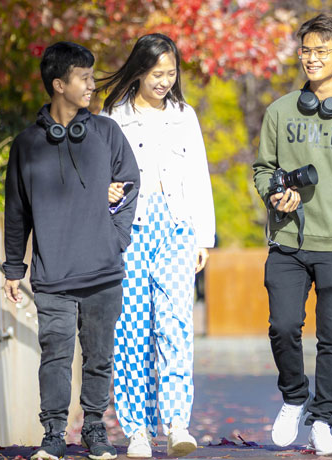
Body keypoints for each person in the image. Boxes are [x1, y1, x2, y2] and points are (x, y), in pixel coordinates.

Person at [252, 13, 332, 456]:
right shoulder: (279, 111)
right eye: (306, 50)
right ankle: (293, 395)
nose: (312, 58)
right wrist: (275, 195)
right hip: (287, 242)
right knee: (283, 326)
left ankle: (323, 420)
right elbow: (262, 170)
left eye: (321, 50)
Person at [3, 41, 140, 460]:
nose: (92, 84)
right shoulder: (26, 145)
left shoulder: (106, 132)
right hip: (52, 277)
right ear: (59, 84)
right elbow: (16, 210)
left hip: (102, 272)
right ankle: (53, 435)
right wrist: (13, 267)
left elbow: (131, 183)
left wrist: (115, 237)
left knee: (100, 357)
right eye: (84, 77)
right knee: (56, 357)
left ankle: (96, 428)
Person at [97, 33, 216, 458]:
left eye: (171, 74)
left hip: (177, 230)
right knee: (130, 331)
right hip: (129, 230)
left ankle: (177, 424)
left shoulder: (185, 115)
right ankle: (138, 433)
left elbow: (199, 176)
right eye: (157, 74)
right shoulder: (112, 116)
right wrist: (104, 190)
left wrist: (204, 236)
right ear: (139, 71)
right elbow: (97, 173)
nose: (165, 81)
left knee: (175, 327)